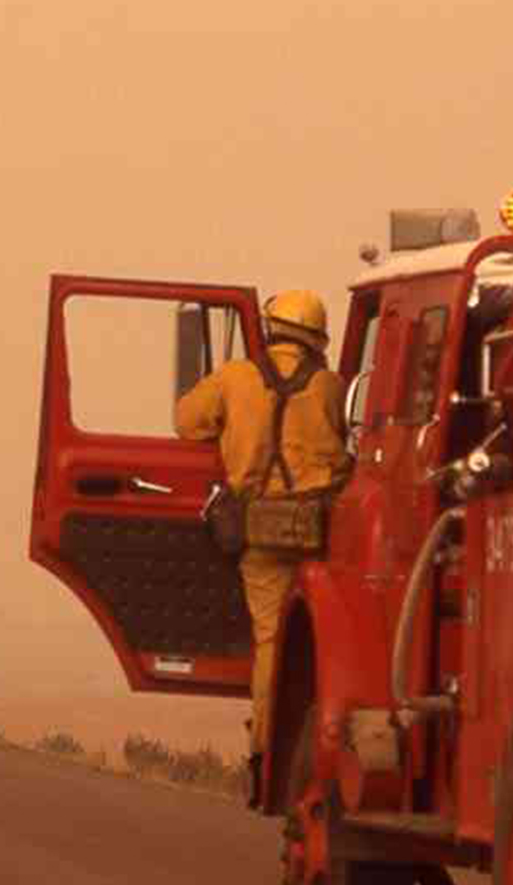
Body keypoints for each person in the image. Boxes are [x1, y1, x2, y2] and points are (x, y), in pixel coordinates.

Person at [173, 289, 351, 794]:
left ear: (271, 328)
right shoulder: (331, 386)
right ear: (317, 339)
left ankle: (265, 753)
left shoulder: (235, 378)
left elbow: (185, 422)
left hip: (259, 535)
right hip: (320, 535)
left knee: (272, 642)